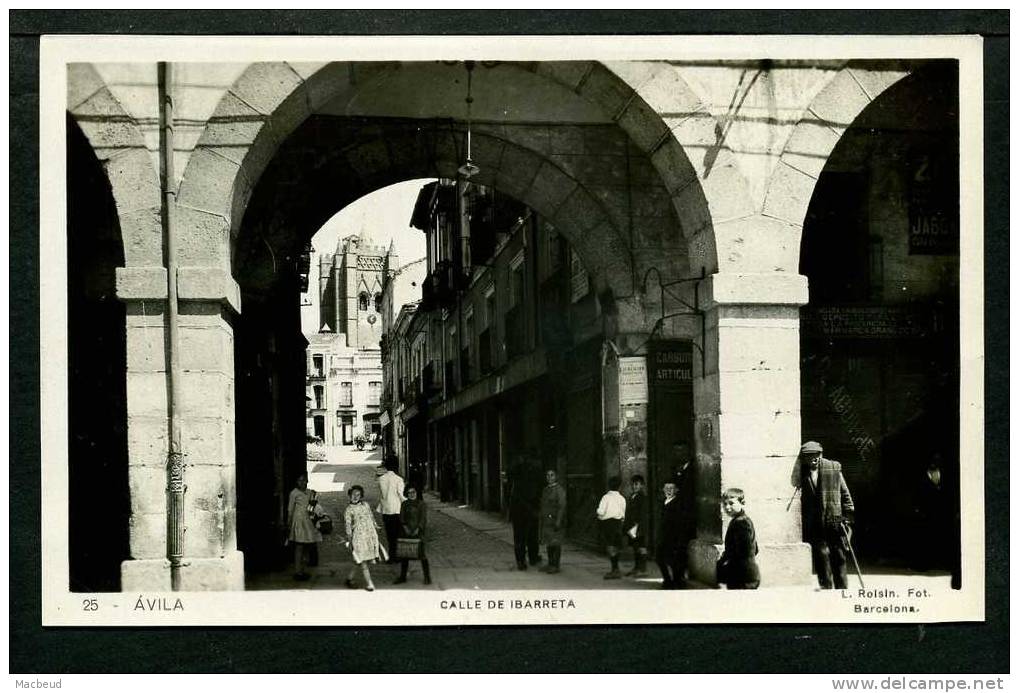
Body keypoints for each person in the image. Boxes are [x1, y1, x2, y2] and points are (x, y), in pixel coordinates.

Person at [799, 440, 855, 590]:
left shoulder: (834, 469)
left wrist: (847, 517)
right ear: (804, 458)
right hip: (816, 522)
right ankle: (826, 586)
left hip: (834, 519)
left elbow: (845, 494)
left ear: (821, 454)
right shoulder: (803, 474)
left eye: (817, 455)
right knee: (821, 555)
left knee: (839, 555)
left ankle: (842, 588)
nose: (814, 459)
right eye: (810, 456)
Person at [716, 488, 760, 589]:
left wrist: (721, 563)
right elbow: (756, 549)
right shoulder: (744, 520)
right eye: (724, 504)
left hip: (742, 577)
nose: (727, 507)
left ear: (742, 503)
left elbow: (741, 551)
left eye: (731, 503)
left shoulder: (740, 523)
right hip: (748, 574)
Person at [507, 453, 542, 570]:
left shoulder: (516, 481)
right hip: (529, 510)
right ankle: (532, 557)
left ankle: (521, 561)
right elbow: (535, 495)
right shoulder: (531, 479)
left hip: (519, 511)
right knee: (532, 535)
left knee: (519, 537)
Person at [343, 484, 381, 591]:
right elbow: (348, 527)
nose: (355, 497)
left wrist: (375, 525)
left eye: (358, 495)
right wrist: (350, 541)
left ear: (361, 496)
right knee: (363, 561)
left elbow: (371, 516)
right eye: (353, 494)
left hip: (369, 536)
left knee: (359, 559)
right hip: (358, 538)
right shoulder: (348, 510)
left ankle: (349, 578)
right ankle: (370, 584)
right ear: (349, 495)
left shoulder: (366, 505)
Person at [394, 483, 432, 586]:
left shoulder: (422, 504)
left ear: (417, 492)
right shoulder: (404, 504)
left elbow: (423, 518)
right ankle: (403, 577)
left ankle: (427, 577)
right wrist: (405, 528)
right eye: (409, 492)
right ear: (406, 493)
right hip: (406, 532)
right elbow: (401, 517)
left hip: (418, 533)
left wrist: (418, 529)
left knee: (422, 555)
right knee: (405, 555)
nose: (411, 494)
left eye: (413, 492)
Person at [671, 441, 697, 588]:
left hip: (687, 516)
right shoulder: (676, 469)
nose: (678, 454)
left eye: (681, 451)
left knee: (681, 546)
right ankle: (677, 576)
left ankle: (680, 577)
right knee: (676, 546)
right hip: (677, 516)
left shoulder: (692, 469)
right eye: (676, 451)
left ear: (688, 452)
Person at [286, 473, 322, 581]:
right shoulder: (294, 493)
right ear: (296, 482)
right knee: (299, 546)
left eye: (304, 480)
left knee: (306, 545)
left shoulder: (310, 492)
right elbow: (290, 509)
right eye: (300, 480)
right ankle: (298, 571)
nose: (302, 482)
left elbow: (314, 506)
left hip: (308, 522)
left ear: (307, 481)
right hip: (299, 522)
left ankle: (302, 570)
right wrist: (289, 523)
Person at [596, 475, 627, 579]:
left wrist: (599, 515)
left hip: (608, 524)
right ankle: (616, 568)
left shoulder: (606, 497)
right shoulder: (622, 498)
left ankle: (614, 569)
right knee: (616, 546)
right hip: (618, 523)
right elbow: (623, 513)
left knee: (610, 546)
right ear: (619, 487)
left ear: (609, 485)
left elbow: (601, 511)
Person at [376, 456, 405, 563]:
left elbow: (382, 494)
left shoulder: (381, 479)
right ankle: (398, 555)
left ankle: (391, 556)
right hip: (397, 510)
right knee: (398, 534)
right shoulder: (399, 479)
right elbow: (401, 495)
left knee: (389, 534)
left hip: (386, 510)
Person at [656, 480, 684, 589]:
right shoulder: (663, 502)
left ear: (676, 490)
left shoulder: (678, 503)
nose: (668, 490)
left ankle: (676, 581)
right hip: (663, 535)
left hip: (674, 536)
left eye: (671, 488)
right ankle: (667, 580)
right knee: (659, 558)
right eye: (666, 488)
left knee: (673, 561)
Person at [539, 469, 567, 574]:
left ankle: (556, 565)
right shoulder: (545, 490)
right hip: (547, 521)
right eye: (547, 475)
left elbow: (562, 506)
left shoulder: (559, 490)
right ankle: (550, 563)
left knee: (555, 543)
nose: (549, 477)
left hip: (555, 521)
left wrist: (558, 521)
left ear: (556, 477)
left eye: (552, 475)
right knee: (549, 543)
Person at [623, 474, 650, 577]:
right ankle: (636, 567)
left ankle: (642, 569)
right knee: (635, 547)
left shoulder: (642, 497)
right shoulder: (632, 496)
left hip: (638, 527)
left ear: (642, 485)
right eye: (633, 484)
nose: (634, 486)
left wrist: (639, 526)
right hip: (632, 527)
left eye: (637, 484)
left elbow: (643, 514)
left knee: (641, 547)